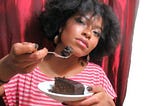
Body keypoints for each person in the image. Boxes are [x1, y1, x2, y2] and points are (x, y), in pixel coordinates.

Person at [0, 0, 120, 105]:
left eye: (96, 32)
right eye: (81, 21)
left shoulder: (97, 76)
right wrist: (5, 67)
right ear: (61, 24)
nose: (88, 33)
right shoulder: (25, 68)